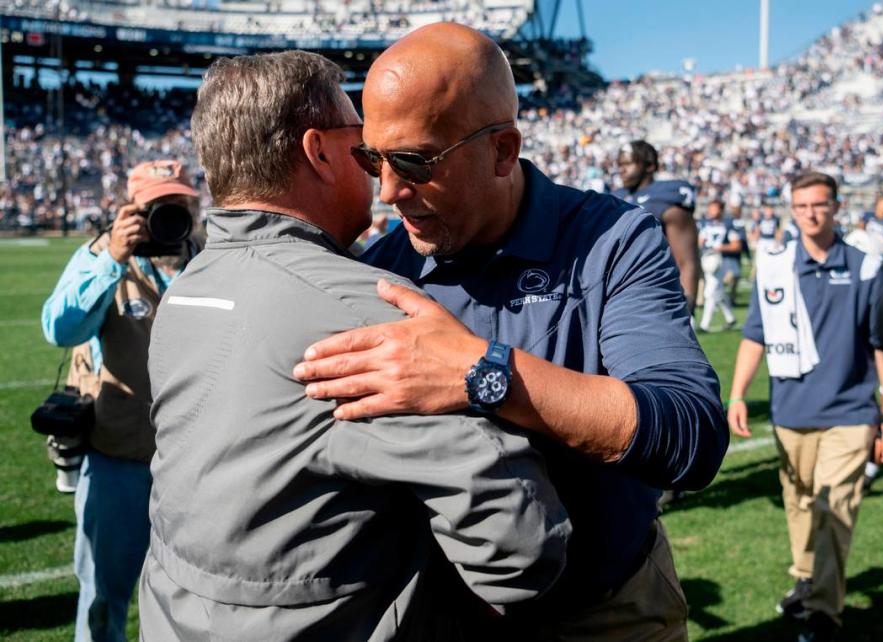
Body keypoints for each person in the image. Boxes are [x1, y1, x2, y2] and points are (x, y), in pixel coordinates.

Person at [293, 23, 728, 640]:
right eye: (372, 159)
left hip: (604, 609)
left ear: (502, 149)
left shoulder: (611, 241)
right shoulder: (382, 270)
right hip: (439, 615)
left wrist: (480, 372)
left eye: (415, 161)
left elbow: (690, 433)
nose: (389, 191)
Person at [139, 50, 570, 641]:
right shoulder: (362, 306)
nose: (383, 174)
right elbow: (519, 539)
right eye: (365, 146)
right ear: (319, 151)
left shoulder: (186, 288)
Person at [727, 171, 883, 642]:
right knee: (801, 506)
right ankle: (807, 580)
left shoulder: (867, 268)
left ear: (836, 207)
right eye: (802, 206)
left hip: (850, 414)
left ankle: (825, 612)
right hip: (790, 413)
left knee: (833, 509)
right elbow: (754, 336)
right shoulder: (775, 265)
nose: (810, 213)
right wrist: (738, 394)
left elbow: (881, 345)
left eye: (819, 205)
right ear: (792, 209)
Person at [41, 159, 202, 641]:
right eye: (156, 207)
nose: (167, 217)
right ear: (129, 210)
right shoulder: (102, 255)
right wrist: (112, 259)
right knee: (102, 598)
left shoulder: (210, 257)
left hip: (194, 465)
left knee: (191, 600)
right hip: (118, 460)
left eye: (177, 205)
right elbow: (60, 329)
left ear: (193, 206)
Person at [612, 140, 701, 312]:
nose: (621, 170)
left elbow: (687, 261)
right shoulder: (615, 198)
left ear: (650, 166)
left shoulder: (667, 199)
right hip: (618, 296)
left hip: (656, 296)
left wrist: (687, 306)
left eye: (628, 164)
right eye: (620, 165)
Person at [698, 199, 739, 332]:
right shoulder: (705, 224)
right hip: (707, 259)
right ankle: (730, 318)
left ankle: (704, 325)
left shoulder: (728, 225)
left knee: (710, 292)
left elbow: (736, 245)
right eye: (709, 208)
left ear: (720, 210)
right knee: (718, 291)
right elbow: (700, 242)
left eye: (713, 208)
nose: (710, 211)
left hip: (720, 261)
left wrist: (721, 247)